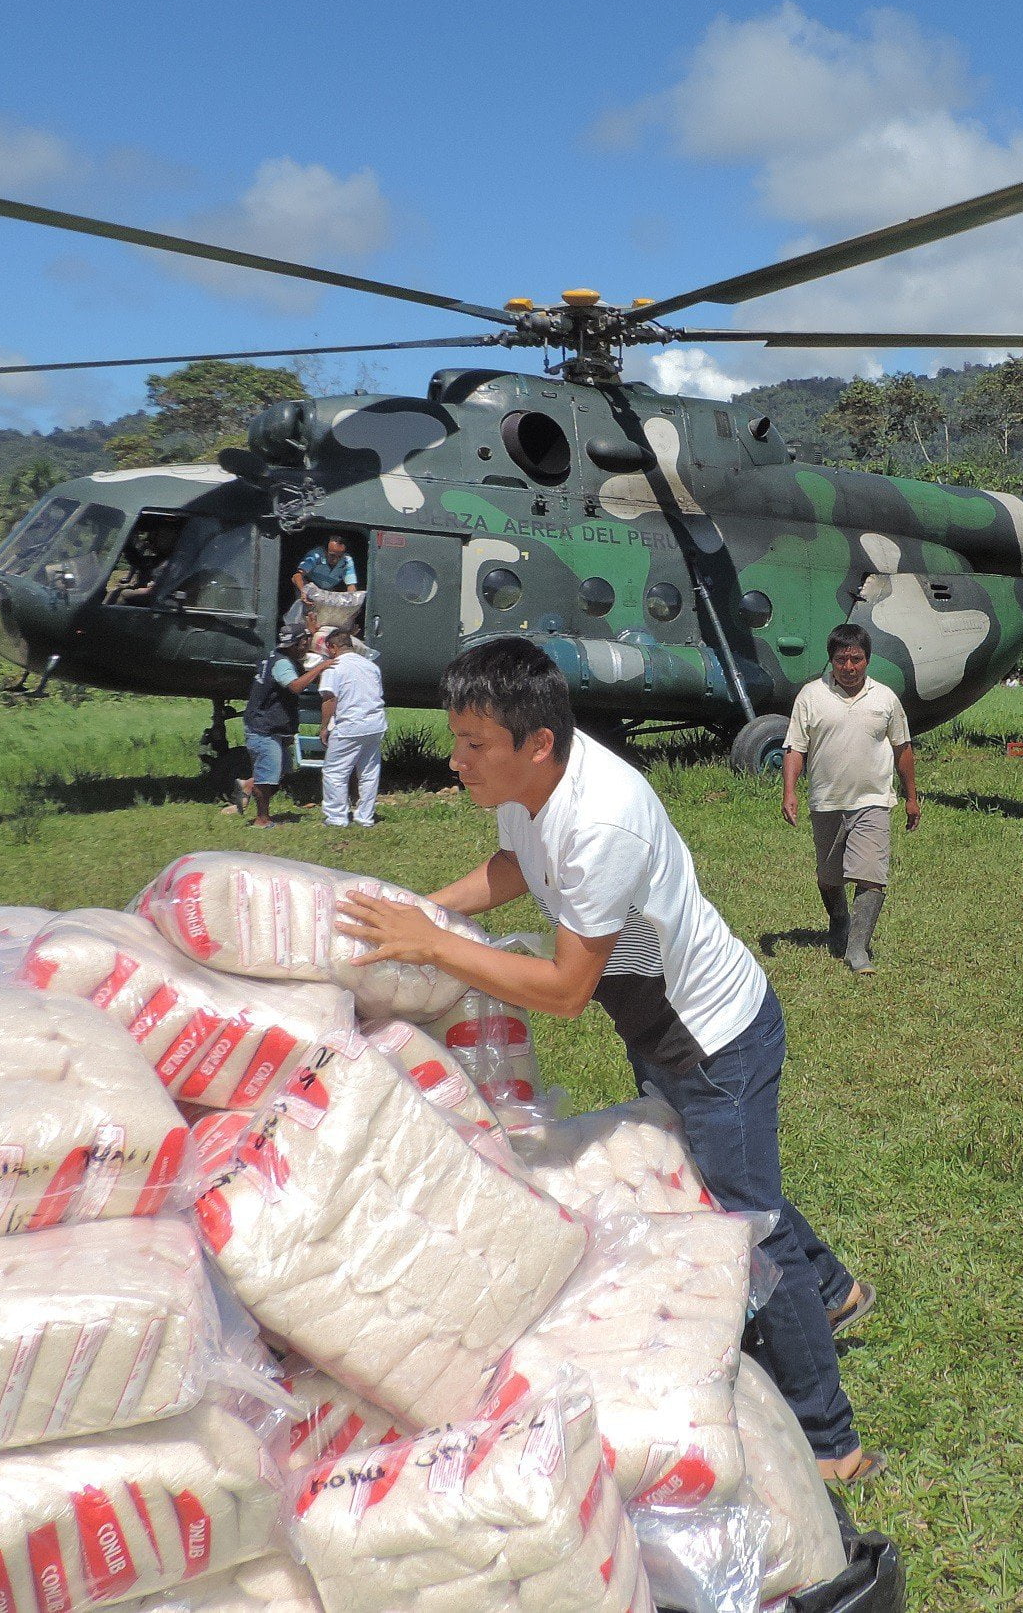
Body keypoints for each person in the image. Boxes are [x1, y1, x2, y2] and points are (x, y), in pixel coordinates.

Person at [331, 637, 881, 1483]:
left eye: (474, 745)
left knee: (745, 1230)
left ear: (536, 743)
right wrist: (420, 911)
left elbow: (562, 989)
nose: (456, 759)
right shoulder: (534, 792)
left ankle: (830, 1438)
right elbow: (516, 866)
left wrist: (433, 948)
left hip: (713, 1039)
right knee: (727, 1178)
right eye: (457, 738)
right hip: (660, 1029)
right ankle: (838, 1288)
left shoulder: (601, 819)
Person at [781, 624, 918, 974]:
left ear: (867, 660)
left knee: (871, 875)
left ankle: (858, 950)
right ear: (831, 661)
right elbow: (795, 747)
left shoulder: (884, 698)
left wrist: (911, 797)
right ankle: (839, 917)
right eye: (841, 660)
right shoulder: (811, 696)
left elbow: (902, 748)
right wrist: (790, 792)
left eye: (856, 659)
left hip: (872, 800)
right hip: (827, 801)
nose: (849, 667)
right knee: (829, 877)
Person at [236, 630, 326, 826]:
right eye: (304, 642)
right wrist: (321, 667)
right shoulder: (283, 663)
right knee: (267, 777)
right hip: (264, 727)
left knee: (281, 769)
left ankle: (248, 785)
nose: (307, 646)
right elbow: (295, 686)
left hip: (272, 725)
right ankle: (262, 820)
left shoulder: (274, 656)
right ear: (294, 645)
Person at [315, 628, 388, 828]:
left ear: (332, 647)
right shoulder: (370, 666)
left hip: (349, 725)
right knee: (369, 772)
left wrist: (324, 727)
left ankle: (336, 817)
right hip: (375, 724)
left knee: (335, 772)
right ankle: (365, 816)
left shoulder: (334, 667)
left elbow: (330, 699)